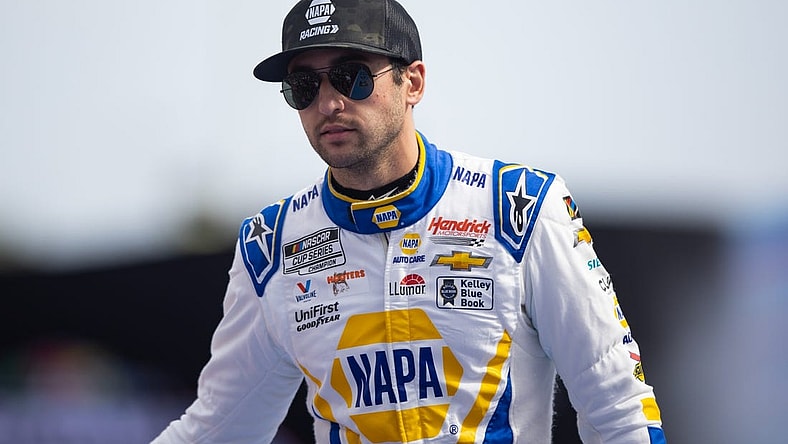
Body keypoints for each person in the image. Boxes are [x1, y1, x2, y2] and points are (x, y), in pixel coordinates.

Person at [152, 0, 666, 442]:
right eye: (303, 86)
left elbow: (616, 402)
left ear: (412, 82)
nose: (328, 103)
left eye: (352, 76)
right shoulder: (272, 246)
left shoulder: (520, 207)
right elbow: (219, 428)